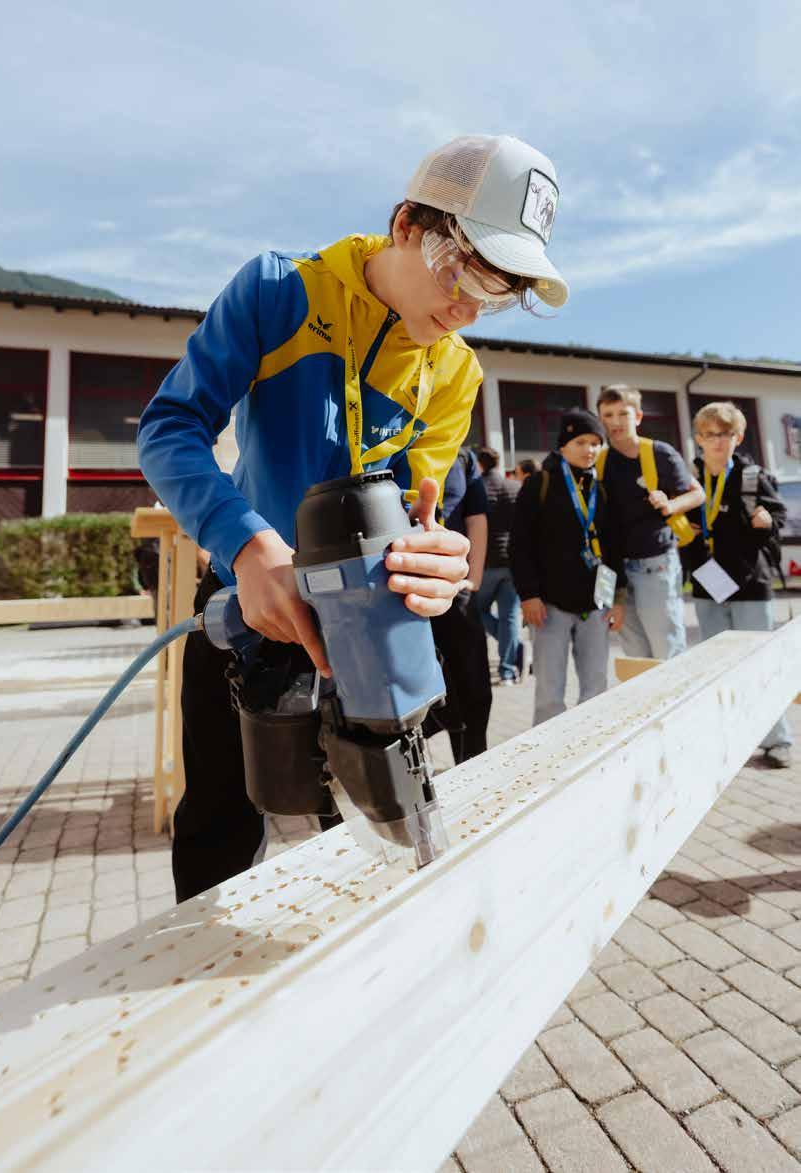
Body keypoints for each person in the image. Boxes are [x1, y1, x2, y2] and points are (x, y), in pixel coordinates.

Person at [138, 133, 570, 901]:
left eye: (498, 294)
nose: (469, 308)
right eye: (466, 273)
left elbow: (419, 511)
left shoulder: (456, 371)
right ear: (408, 225)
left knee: (381, 831)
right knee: (218, 830)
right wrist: (245, 544)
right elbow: (170, 426)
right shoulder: (279, 290)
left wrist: (435, 563)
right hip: (246, 605)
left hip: (366, 624)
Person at [689, 401, 792, 766]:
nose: (718, 441)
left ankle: (777, 739)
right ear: (699, 438)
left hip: (751, 583)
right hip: (707, 584)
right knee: (717, 667)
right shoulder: (689, 479)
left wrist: (768, 520)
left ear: (739, 437)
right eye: (710, 434)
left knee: (760, 663)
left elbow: (779, 515)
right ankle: (728, 735)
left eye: (726, 434)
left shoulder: (752, 476)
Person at [511, 408, 625, 726]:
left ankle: (593, 742)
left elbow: (614, 547)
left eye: (595, 443)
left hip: (596, 604)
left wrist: (618, 598)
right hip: (549, 606)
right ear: (563, 446)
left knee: (596, 687)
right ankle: (548, 749)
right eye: (580, 442)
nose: (589, 450)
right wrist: (529, 595)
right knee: (549, 693)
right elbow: (519, 545)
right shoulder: (539, 483)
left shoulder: (601, 488)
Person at [596, 384, 704, 659]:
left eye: (623, 413)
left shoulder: (659, 453)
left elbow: (697, 494)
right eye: (608, 415)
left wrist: (670, 504)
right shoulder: (599, 460)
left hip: (655, 563)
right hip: (612, 569)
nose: (616, 421)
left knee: (666, 649)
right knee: (634, 654)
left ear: (638, 417)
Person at [425, 447, 493, 762]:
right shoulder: (391, 442)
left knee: (473, 689)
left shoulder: (462, 456)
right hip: (404, 592)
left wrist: (473, 579)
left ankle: (474, 767)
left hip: (456, 590)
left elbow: (476, 518)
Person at [475, 445, 523, 684]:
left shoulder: (476, 488)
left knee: (476, 611)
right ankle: (507, 671)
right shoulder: (514, 487)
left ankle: (513, 645)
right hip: (512, 561)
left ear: (479, 464)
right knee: (510, 617)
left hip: (485, 562)